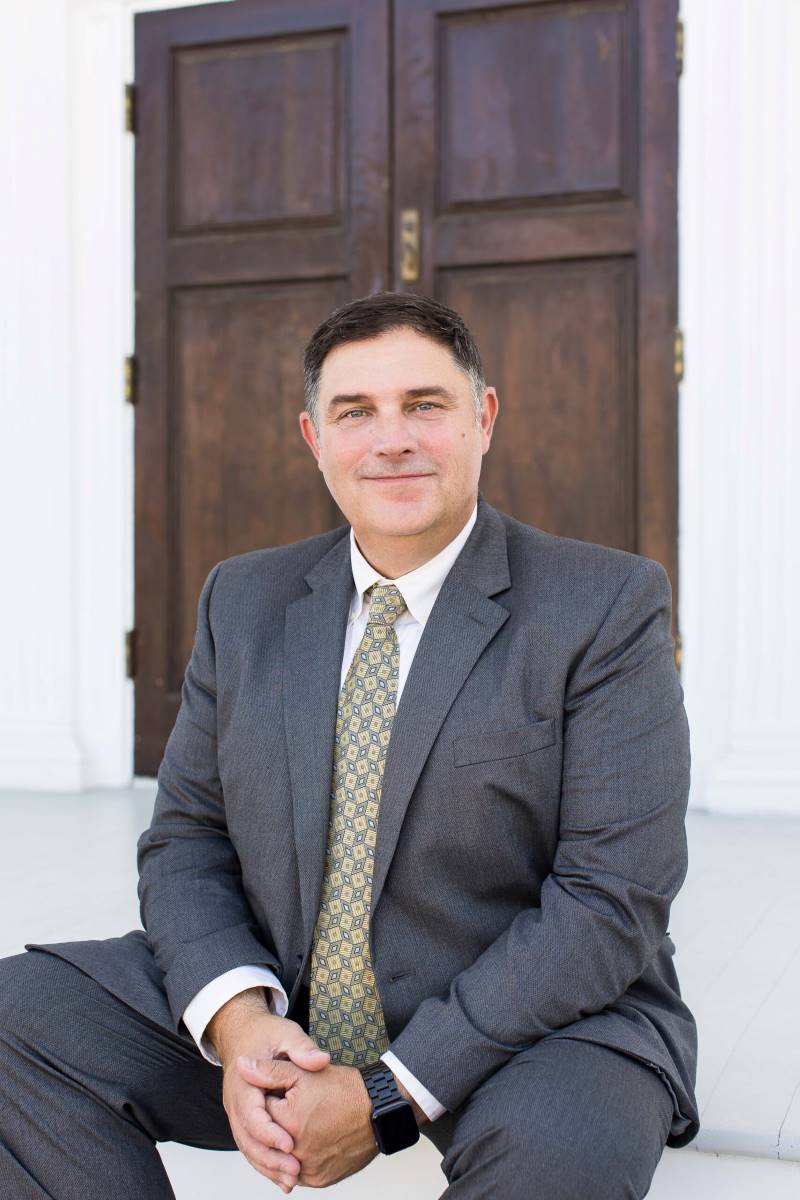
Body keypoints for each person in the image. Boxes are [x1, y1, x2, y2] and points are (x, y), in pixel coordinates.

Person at [0, 292, 699, 1199]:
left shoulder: (602, 606)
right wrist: (241, 1020)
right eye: (355, 412)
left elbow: (611, 901)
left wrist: (385, 1092)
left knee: (560, 1159)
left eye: (425, 405)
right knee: (18, 1018)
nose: (391, 439)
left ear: (482, 419)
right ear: (314, 437)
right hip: (289, 999)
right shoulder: (243, 600)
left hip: (536, 1019)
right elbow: (187, 840)